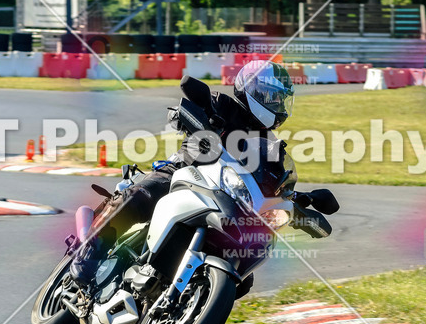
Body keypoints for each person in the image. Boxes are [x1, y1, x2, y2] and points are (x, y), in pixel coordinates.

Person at [69, 60, 295, 287]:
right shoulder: (222, 104)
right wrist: (191, 118)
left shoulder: (271, 147)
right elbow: (188, 105)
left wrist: (298, 199)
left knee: (243, 277)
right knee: (144, 194)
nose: (278, 104)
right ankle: (91, 249)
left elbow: (276, 183)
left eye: (280, 99)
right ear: (253, 89)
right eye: (272, 96)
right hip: (185, 172)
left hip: (225, 196)